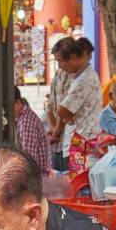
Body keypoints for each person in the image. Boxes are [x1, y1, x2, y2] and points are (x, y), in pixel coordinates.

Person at [51, 38, 101, 155]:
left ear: (73, 58)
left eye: (59, 61)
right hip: (77, 142)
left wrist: (65, 115)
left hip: (82, 144)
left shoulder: (85, 79)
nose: (59, 66)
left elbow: (62, 110)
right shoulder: (76, 76)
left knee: (77, 173)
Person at [45, 38, 77, 171]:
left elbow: (65, 108)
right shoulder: (58, 75)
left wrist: (56, 131)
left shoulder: (75, 77)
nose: (58, 65)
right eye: (56, 61)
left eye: (59, 60)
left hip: (67, 141)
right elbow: (50, 105)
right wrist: (53, 127)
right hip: (56, 142)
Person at [14, 87, 52, 173]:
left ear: (18, 102)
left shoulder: (26, 121)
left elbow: (29, 160)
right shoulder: (24, 117)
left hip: (36, 178)